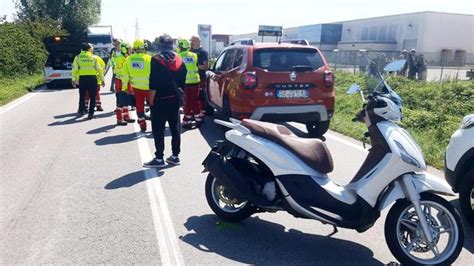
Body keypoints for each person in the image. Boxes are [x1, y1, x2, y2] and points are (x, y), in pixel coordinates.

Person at [144, 33, 187, 168]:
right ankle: (175, 156)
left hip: (160, 100)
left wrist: (150, 100)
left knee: (158, 129)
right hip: (174, 99)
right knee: (175, 129)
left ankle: (159, 159)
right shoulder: (179, 60)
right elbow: (182, 80)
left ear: (160, 46)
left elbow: (153, 82)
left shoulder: (156, 60)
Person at [122, 40, 153, 132]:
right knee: (153, 105)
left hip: (136, 87)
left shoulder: (128, 59)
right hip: (149, 88)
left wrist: (124, 88)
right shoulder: (149, 58)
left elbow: (125, 75)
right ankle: (156, 123)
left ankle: (142, 123)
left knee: (139, 105)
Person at [71, 43, 103, 120]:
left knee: (82, 95)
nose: (92, 49)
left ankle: (81, 110)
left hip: (82, 78)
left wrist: (73, 79)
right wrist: (102, 80)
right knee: (92, 97)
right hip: (92, 79)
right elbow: (99, 69)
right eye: (92, 48)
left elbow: (74, 69)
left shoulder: (78, 57)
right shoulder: (94, 57)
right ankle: (91, 114)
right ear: (89, 49)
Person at [177, 38, 202, 129]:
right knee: (195, 101)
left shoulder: (178, 56)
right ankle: (198, 120)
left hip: (185, 82)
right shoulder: (194, 55)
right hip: (195, 81)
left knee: (186, 102)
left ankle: (187, 121)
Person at [114, 42, 135, 126]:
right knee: (121, 101)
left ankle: (126, 117)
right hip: (120, 81)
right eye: (129, 49)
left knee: (126, 99)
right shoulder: (120, 59)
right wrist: (126, 73)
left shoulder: (128, 58)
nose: (131, 51)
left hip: (127, 81)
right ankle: (119, 119)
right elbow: (117, 70)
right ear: (124, 49)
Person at [190, 35, 209, 116]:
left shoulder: (203, 52)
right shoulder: (190, 51)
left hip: (200, 77)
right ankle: (192, 113)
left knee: (200, 96)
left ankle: (202, 113)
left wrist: (194, 65)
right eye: (191, 41)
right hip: (190, 79)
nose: (191, 42)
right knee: (190, 97)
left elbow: (205, 66)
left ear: (198, 41)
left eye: (193, 40)